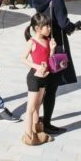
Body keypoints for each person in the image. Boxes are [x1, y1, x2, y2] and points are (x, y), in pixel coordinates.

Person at [31, 0, 81, 134]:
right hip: (55, 44)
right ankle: (46, 123)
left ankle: (36, 118)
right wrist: (74, 27)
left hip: (41, 43)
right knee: (51, 87)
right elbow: (63, 23)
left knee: (43, 85)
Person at [20, 12, 55, 146]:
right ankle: (28, 136)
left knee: (37, 107)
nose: (50, 29)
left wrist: (52, 49)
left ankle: (37, 131)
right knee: (30, 109)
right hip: (34, 78)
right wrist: (36, 66)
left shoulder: (47, 41)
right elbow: (22, 58)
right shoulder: (32, 42)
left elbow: (49, 59)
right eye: (47, 26)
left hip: (44, 78)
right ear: (37, 28)